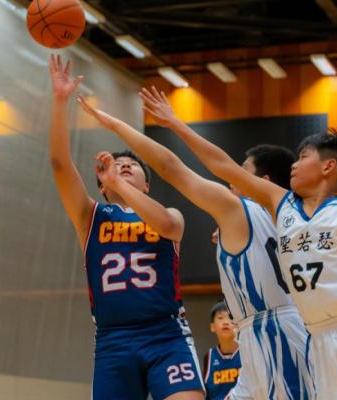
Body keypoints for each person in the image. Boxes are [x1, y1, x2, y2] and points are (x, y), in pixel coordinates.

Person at [137, 86, 337, 398]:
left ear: (328, 166)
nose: (293, 164)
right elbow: (222, 166)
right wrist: (176, 124)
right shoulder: (280, 203)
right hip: (319, 338)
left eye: (303, 156)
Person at [77, 88, 315, 399]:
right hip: (262, 333)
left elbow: (173, 168)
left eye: (241, 173)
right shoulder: (293, 213)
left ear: (262, 182)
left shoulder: (239, 210)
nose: (232, 180)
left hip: (274, 331)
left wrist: (127, 124)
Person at [48, 56, 204, 400]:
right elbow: (59, 165)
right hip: (113, 339)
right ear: (102, 186)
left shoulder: (169, 214)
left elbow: (165, 224)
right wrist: (59, 102)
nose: (124, 166)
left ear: (146, 185)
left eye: (132, 166)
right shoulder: (91, 216)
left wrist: (118, 181)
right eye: (117, 165)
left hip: (166, 334)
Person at [203, 302, 241, 400]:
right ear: (212, 327)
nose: (225, 322)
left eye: (230, 318)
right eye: (220, 318)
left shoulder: (246, 353)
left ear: (238, 324)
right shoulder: (209, 356)